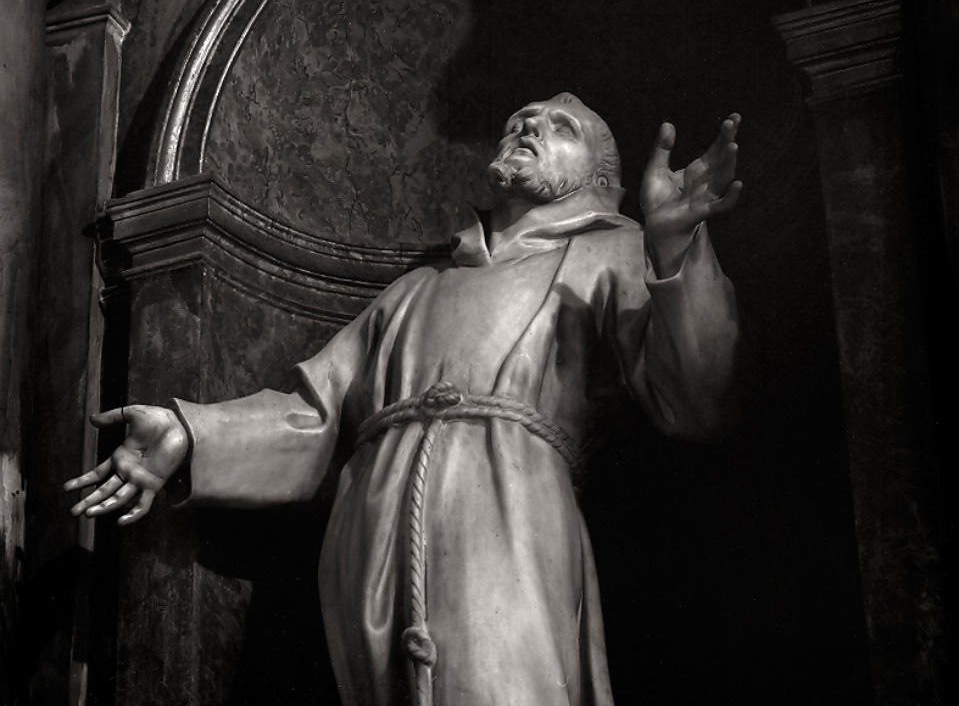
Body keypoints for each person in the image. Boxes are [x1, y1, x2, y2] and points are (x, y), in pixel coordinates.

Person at [66, 93, 741, 706]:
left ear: (599, 178)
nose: (528, 126)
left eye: (557, 128)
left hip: (505, 513)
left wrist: (675, 243)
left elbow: (694, 401)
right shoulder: (417, 288)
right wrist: (192, 435)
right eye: (518, 122)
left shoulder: (613, 253)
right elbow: (314, 413)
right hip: (376, 522)